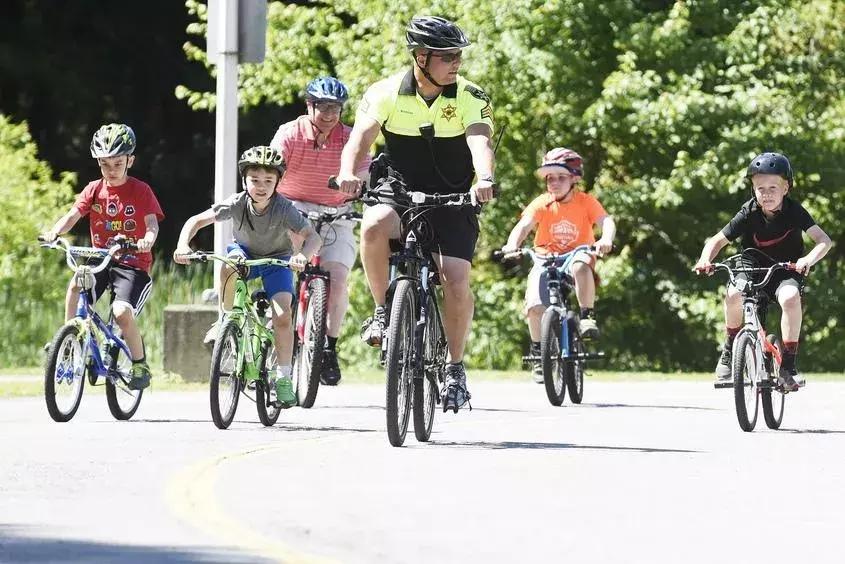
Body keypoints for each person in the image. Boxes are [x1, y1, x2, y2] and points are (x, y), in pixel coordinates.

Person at [335, 15, 496, 411]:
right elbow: (361, 139)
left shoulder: (469, 94)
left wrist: (485, 177)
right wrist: (345, 173)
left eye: (459, 55)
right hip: (399, 186)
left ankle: (455, 369)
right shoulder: (385, 92)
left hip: (454, 193)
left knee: (455, 279)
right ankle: (381, 311)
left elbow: (479, 138)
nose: (456, 62)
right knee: (373, 224)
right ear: (421, 57)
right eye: (447, 56)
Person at [173, 146, 321, 407]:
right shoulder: (237, 203)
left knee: (283, 316)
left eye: (268, 181)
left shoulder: (284, 208)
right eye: (254, 180)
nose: (261, 186)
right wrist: (183, 245)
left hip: (278, 260)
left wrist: (303, 256)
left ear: (277, 182)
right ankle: (226, 319)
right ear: (244, 181)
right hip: (245, 255)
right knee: (227, 263)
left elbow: (314, 237)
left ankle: (283, 378)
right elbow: (196, 221)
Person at [694, 152, 832, 390]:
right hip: (751, 267)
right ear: (753, 189)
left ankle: (788, 364)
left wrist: (807, 259)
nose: (766, 194)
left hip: (785, 268)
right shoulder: (748, 212)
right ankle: (729, 349)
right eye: (760, 188)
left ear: (786, 188)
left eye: (773, 187)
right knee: (733, 295)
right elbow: (716, 241)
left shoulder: (794, 211)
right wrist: (705, 259)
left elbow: (824, 240)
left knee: (790, 298)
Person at [41, 123, 164, 390]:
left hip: (132, 264)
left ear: (130, 160)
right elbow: (73, 214)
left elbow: (152, 224)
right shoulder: (94, 189)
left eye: (118, 163)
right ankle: (68, 337)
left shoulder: (141, 191)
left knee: (121, 312)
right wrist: (54, 231)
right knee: (77, 282)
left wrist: (146, 241)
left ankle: (140, 363)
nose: (111, 170)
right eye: (105, 164)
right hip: (101, 259)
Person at [269, 76, 370, 386]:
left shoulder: (351, 138)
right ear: (309, 106)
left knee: (338, 280)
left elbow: (364, 172)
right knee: (276, 278)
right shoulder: (289, 133)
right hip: (292, 213)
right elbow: (272, 166)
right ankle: (265, 341)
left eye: (336, 108)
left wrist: (358, 184)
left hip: (336, 214)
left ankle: (329, 347)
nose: (329, 115)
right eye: (323, 107)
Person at [501, 148, 615, 382]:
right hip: (545, 256)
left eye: (561, 177)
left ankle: (586, 316)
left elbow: (606, 221)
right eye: (549, 178)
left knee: (581, 266)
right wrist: (512, 244)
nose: (554, 183)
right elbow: (523, 226)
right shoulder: (542, 203)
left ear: (574, 178)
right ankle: (538, 351)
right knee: (534, 305)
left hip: (577, 253)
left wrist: (606, 239)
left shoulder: (585, 201)